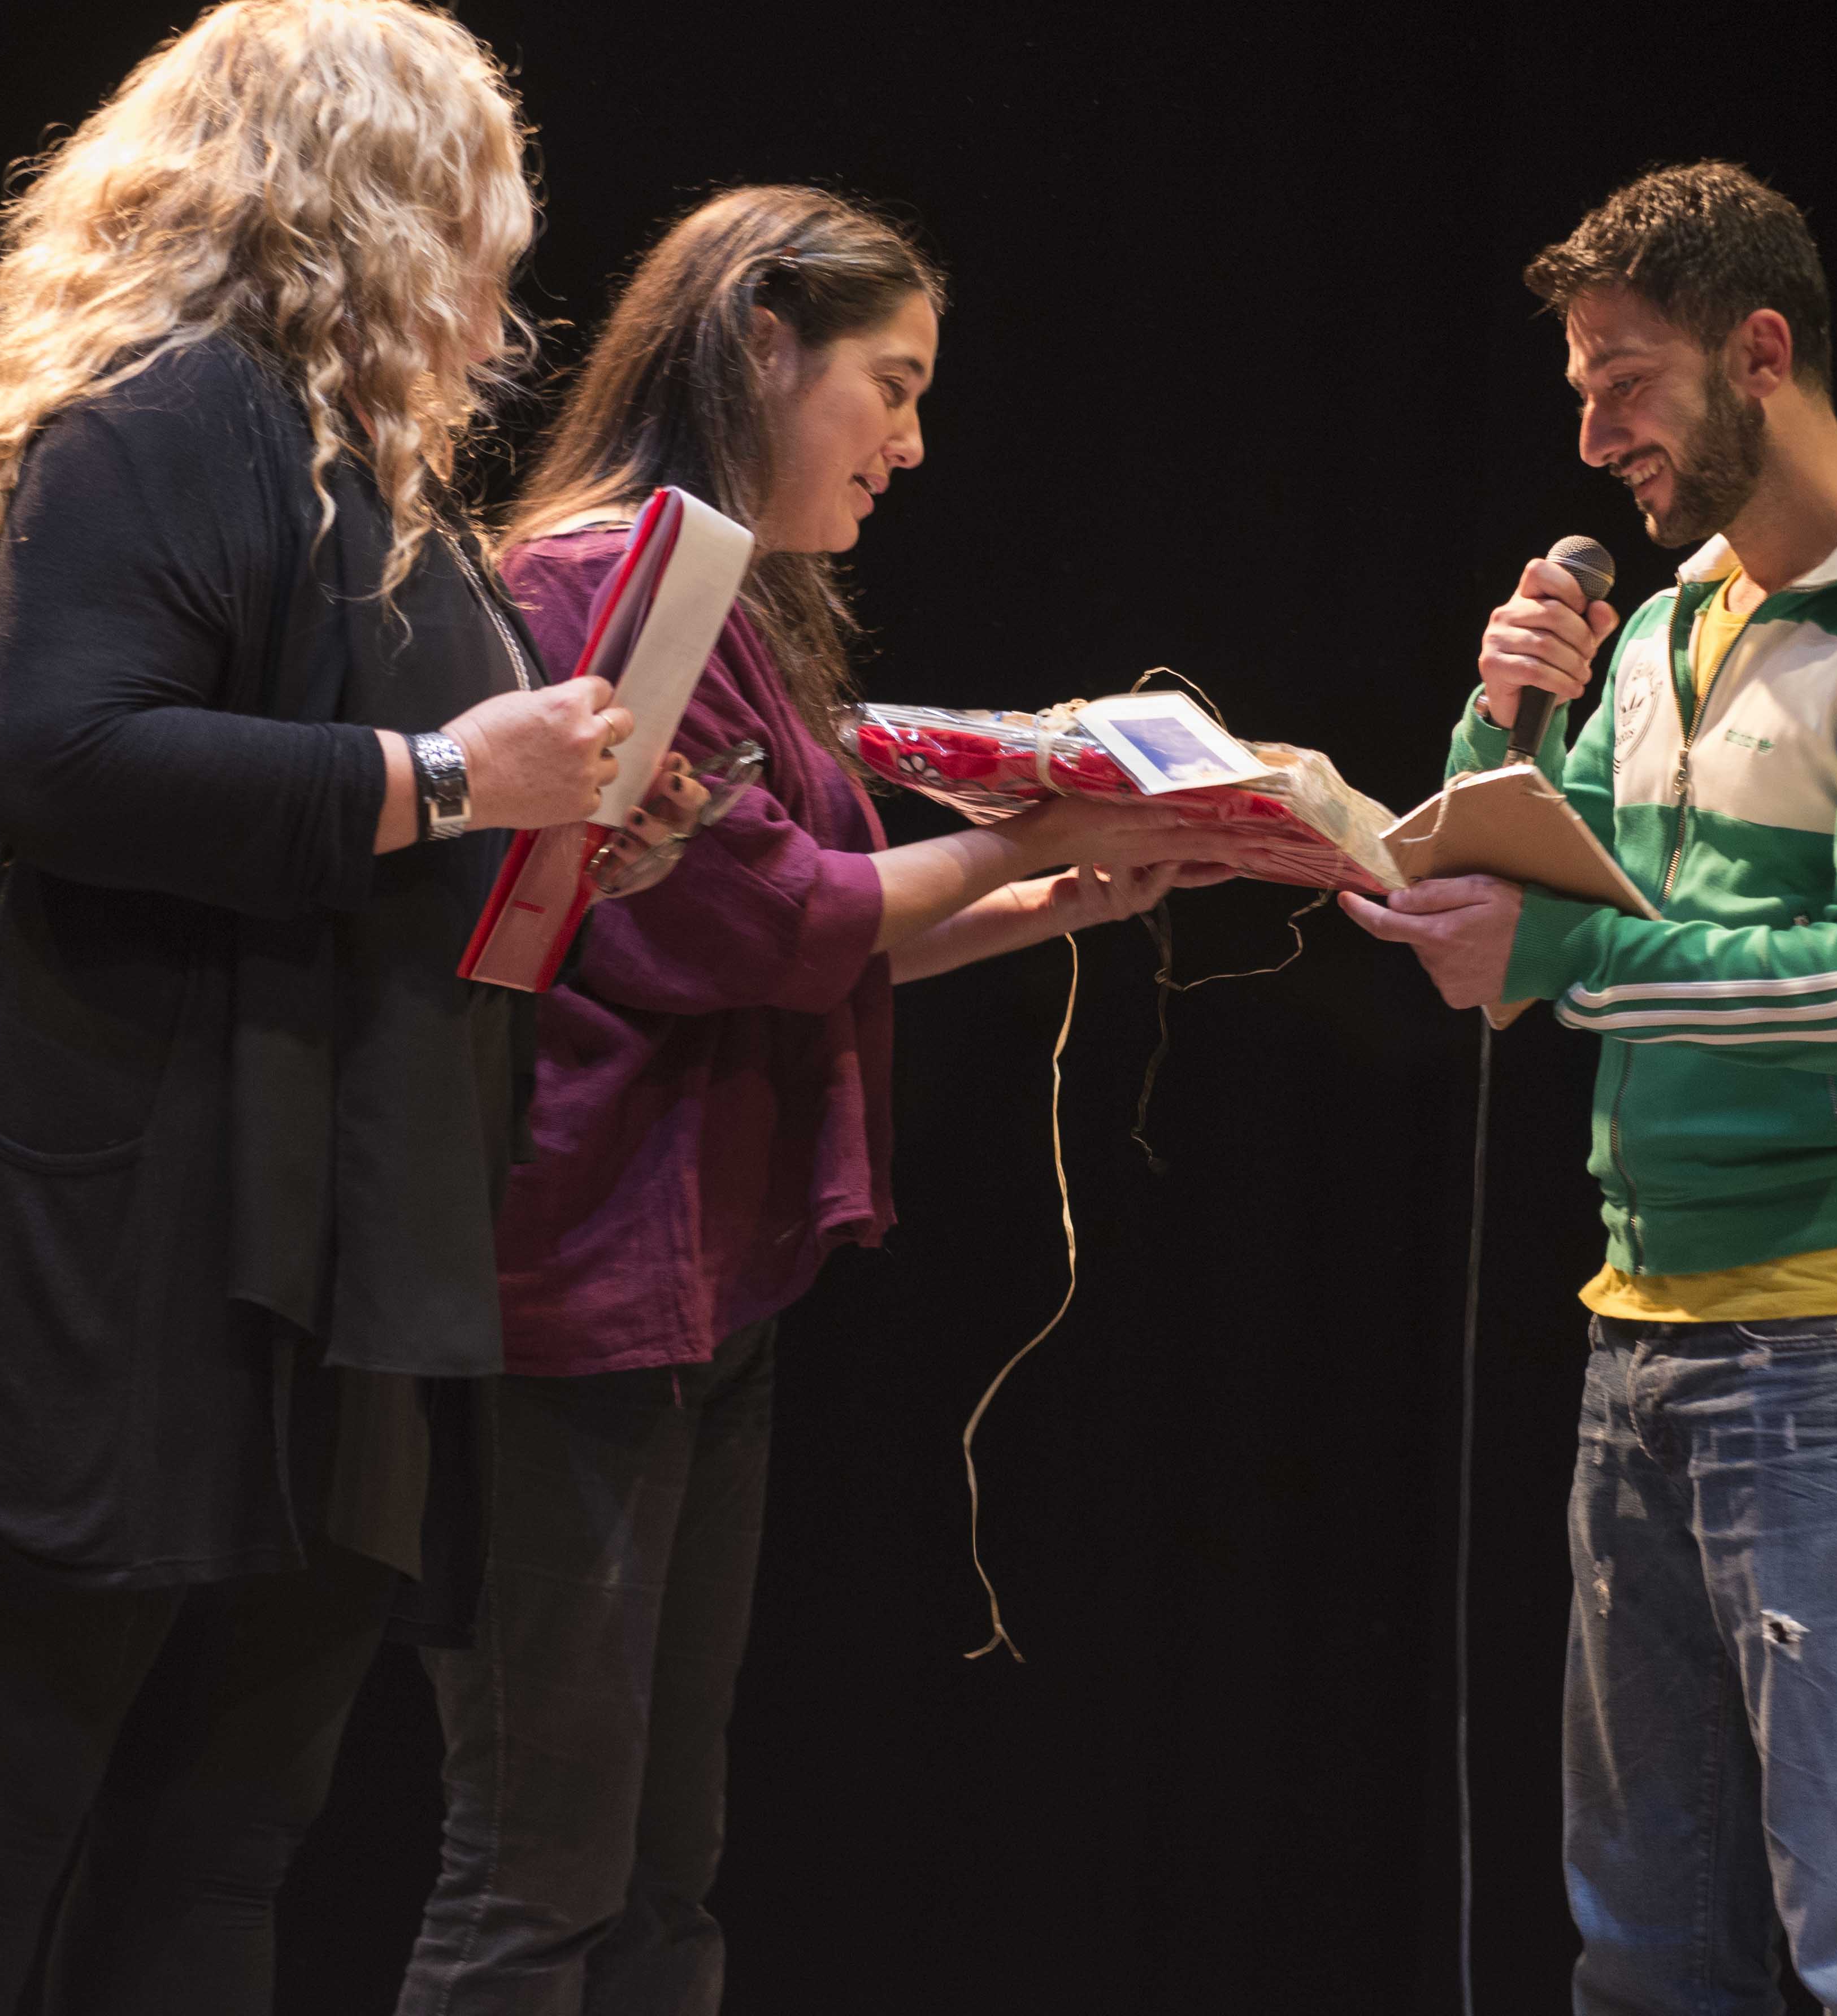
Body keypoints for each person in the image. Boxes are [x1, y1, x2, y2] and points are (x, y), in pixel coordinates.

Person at [0, 0, 705, 2016]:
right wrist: (455, 776)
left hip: (321, 1216)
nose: (504, 272)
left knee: (222, 1843)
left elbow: (383, 807)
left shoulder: (380, 486)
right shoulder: (180, 414)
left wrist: (555, 829)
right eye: (483, 210)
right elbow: (67, 760)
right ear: (373, 197)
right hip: (110, 1197)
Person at [399, 184, 1246, 2013]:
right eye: (896, 384)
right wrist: (1039, 827)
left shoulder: (734, 602)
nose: (913, 444)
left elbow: (795, 937)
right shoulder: (587, 586)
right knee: (542, 1869)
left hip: (701, 1293)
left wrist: (1045, 897)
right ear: (763, 346)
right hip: (578, 1302)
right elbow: (772, 920)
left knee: (663, 1872)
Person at [1344, 163, 1837, 2016]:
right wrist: (1499, 718)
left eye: (1626, 383)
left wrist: (1564, 958)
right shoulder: (1672, 627)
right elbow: (1546, 886)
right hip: (1642, 1333)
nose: (1596, 438)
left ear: (1760, 352)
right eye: (1582, 389)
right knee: (1648, 1951)